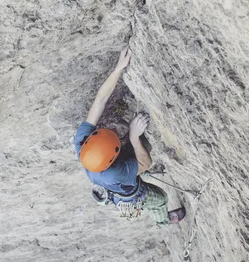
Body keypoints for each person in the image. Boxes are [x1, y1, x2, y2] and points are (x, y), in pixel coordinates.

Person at [74, 46, 186, 225]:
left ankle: (138, 184)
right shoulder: (114, 173)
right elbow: (146, 164)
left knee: (136, 169)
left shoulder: (81, 143)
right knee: (161, 199)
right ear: (113, 159)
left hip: (115, 184)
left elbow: (100, 100)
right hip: (129, 194)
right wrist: (134, 138)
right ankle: (163, 220)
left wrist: (118, 68)